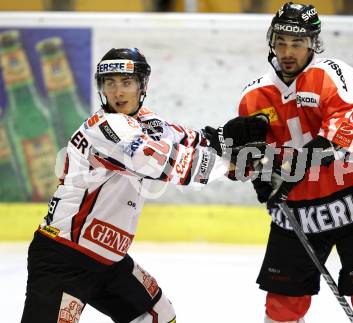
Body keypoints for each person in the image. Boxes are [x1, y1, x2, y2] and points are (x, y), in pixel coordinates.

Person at [20, 47, 268, 323]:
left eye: (126, 83)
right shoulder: (105, 128)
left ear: (143, 85)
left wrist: (226, 140)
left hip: (110, 262)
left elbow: (187, 140)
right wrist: (232, 165)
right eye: (110, 84)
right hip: (64, 259)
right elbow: (168, 163)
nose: (118, 92)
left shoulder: (146, 121)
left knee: (159, 316)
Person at [238, 3, 353, 323]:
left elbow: (340, 141)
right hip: (298, 213)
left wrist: (287, 172)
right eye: (281, 41)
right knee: (281, 309)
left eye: (297, 43)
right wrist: (259, 170)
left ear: (313, 43)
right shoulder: (254, 96)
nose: (287, 51)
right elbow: (253, 161)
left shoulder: (335, 76)